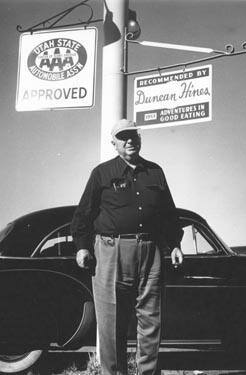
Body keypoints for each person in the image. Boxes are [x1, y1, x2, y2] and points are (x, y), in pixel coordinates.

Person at [71, 119, 183, 375]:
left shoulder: (155, 172)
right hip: (111, 251)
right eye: (123, 137)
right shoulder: (102, 173)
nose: (130, 140)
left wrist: (174, 243)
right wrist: (82, 247)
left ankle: (147, 372)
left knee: (151, 319)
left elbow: (168, 213)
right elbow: (84, 214)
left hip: (150, 250)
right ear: (114, 143)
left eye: (133, 135)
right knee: (111, 322)